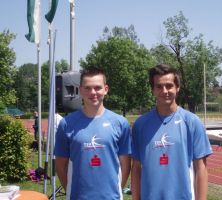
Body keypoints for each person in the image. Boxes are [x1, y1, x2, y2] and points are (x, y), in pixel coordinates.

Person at [131, 64, 213, 200]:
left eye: (169, 85)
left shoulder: (192, 122)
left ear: (177, 88)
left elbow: (201, 169)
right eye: (159, 86)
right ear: (153, 90)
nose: (164, 91)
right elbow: (136, 168)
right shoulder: (140, 125)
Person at [54, 67, 131, 200]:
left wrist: (117, 190)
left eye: (97, 88)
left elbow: (126, 164)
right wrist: (70, 191)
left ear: (105, 89)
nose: (93, 92)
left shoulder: (120, 123)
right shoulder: (67, 123)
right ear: (80, 90)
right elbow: (61, 165)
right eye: (88, 88)